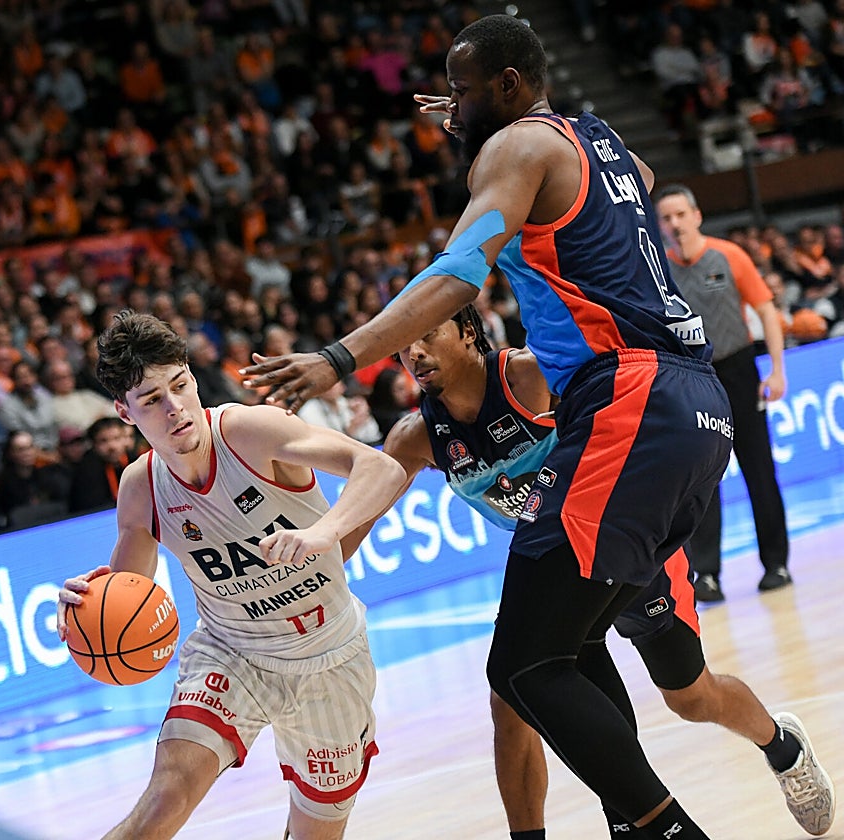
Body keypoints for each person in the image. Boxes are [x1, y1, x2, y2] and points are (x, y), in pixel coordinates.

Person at [238, 15, 825, 837]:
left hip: (628, 407)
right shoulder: (590, 138)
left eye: (465, 91)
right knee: (546, 664)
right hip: (681, 405)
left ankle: (709, 794)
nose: (452, 107)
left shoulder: (516, 161)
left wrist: (339, 356)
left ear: (510, 86)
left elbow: (457, 270)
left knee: (554, 669)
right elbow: (637, 175)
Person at [342, 306, 835, 838]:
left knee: (690, 695)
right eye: (403, 345)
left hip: (628, 538)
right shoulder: (416, 436)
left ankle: (781, 747)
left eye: (427, 335)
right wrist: (310, 572)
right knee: (514, 692)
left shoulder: (529, 376)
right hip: (561, 560)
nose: (414, 353)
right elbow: (357, 519)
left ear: (467, 333)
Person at [56, 311, 408, 840]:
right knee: (164, 800)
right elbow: (127, 596)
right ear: (124, 412)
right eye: (152, 400)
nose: (175, 408)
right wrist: (88, 607)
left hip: (330, 654)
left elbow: (382, 468)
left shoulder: (249, 431)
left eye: (180, 385)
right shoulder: (141, 487)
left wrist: (324, 532)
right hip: (231, 653)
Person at [655, 184, 792, 602]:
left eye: (681, 214)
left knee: (759, 470)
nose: (675, 224)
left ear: (697, 216)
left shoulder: (729, 255)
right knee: (700, 482)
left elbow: (766, 309)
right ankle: (707, 574)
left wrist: (777, 370)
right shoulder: (658, 269)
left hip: (738, 369)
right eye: (666, 218)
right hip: (692, 380)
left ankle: (776, 563)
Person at [67, 416, 140, 515]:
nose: (112, 446)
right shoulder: (86, 471)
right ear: (94, 445)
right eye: (103, 441)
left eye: (117, 438)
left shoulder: (136, 462)